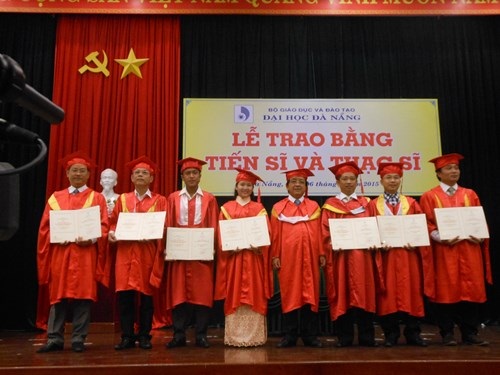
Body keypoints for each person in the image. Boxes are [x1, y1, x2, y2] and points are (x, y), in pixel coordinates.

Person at [36, 151, 109, 353]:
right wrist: (56, 236)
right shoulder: (55, 198)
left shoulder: (97, 198)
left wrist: (92, 238)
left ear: (88, 174)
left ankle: (78, 338)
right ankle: (54, 338)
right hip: (61, 253)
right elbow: (45, 228)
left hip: (85, 254)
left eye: (82, 171)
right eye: (74, 170)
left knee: (83, 297)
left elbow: (104, 226)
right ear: (67, 173)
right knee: (57, 298)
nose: (78, 174)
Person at [419, 153, 492, 346]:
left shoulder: (470, 194)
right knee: (446, 291)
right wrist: (439, 236)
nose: (454, 171)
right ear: (438, 173)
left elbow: (479, 220)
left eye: (456, 168)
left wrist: (480, 234)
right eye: (449, 168)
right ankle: (447, 333)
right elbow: (425, 222)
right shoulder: (429, 196)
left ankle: (470, 332)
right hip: (445, 251)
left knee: (470, 290)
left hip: (469, 249)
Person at [108, 156, 166, 350]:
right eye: (137, 173)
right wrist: (111, 233)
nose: (141, 175)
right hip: (125, 254)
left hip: (147, 253)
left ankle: (144, 335)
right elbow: (113, 222)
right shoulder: (123, 199)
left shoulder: (160, 200)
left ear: (151, 178)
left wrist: (152, 234)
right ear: (132, 178)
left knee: (147, 298)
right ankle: (127, 336)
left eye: (145, 173)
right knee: (125, 297)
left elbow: (164, 226)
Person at [367, 162, 427, 347]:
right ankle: (390, 334)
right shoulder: (373, 205)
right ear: (381, 180)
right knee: (388, 296)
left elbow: (420, 229)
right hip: (386, 257)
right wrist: (378, 245)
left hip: (409, 256)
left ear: (401, 180)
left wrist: (415, 242)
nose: (392, 181)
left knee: (412, 293)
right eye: (388, 177)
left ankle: (413, 334)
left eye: (396, 177)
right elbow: (369, 231)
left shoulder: (411, 203)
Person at [320, 161, 378, 347]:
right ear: (337, 182)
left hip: (363, 258)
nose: (348, 182)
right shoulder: (330, 205)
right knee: (342, 293)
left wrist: (374, 241)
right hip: (341, 258)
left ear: (357, 181)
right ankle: (344, 337)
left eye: (352, 178)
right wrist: (331, 244)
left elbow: (375, 227)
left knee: (364, 292)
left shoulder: (367, 204)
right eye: (344, 179)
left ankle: (366, 337)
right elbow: (324, 233)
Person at [215, 169, 273, 347]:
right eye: (242, 185)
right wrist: (229, 247)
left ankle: (254, 336)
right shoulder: (227, 208)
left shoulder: (259, 209)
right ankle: (235, 336)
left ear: (252, 188)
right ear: (236, 186)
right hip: (234, 259)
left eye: (249, 185)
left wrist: (260, 246)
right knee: (234, 291)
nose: (245, 188)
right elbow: (221, 235)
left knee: (254, 291)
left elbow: (267, 233)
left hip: (253, 258)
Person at [165, 157, 219, 349]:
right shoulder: (173, 198)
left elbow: (213, 224)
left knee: (202, 295)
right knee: (178, 294)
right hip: (179, 254)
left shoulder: (209, 198)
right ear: (182, 176)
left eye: (194, 173)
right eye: (187, 173)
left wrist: (211, 246)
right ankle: (178, 334)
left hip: (200, 255)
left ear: (200, 175)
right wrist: (168, 247)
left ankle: (201, 334)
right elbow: (168, 224)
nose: (191, 176)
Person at [270, 168, 325, 348]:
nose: (297, 185)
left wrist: (321, 253)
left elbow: (319, 232)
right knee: (289, 293)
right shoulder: (279, 208)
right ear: (287, 186)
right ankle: (289, 335)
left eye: (301, 182)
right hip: (288, 257)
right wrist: (275, 255)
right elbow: (275, 234)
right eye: (293, 182)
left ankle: (310, 335)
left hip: (310, 257)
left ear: (306, 187)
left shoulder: (314, 207)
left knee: (310, 294)